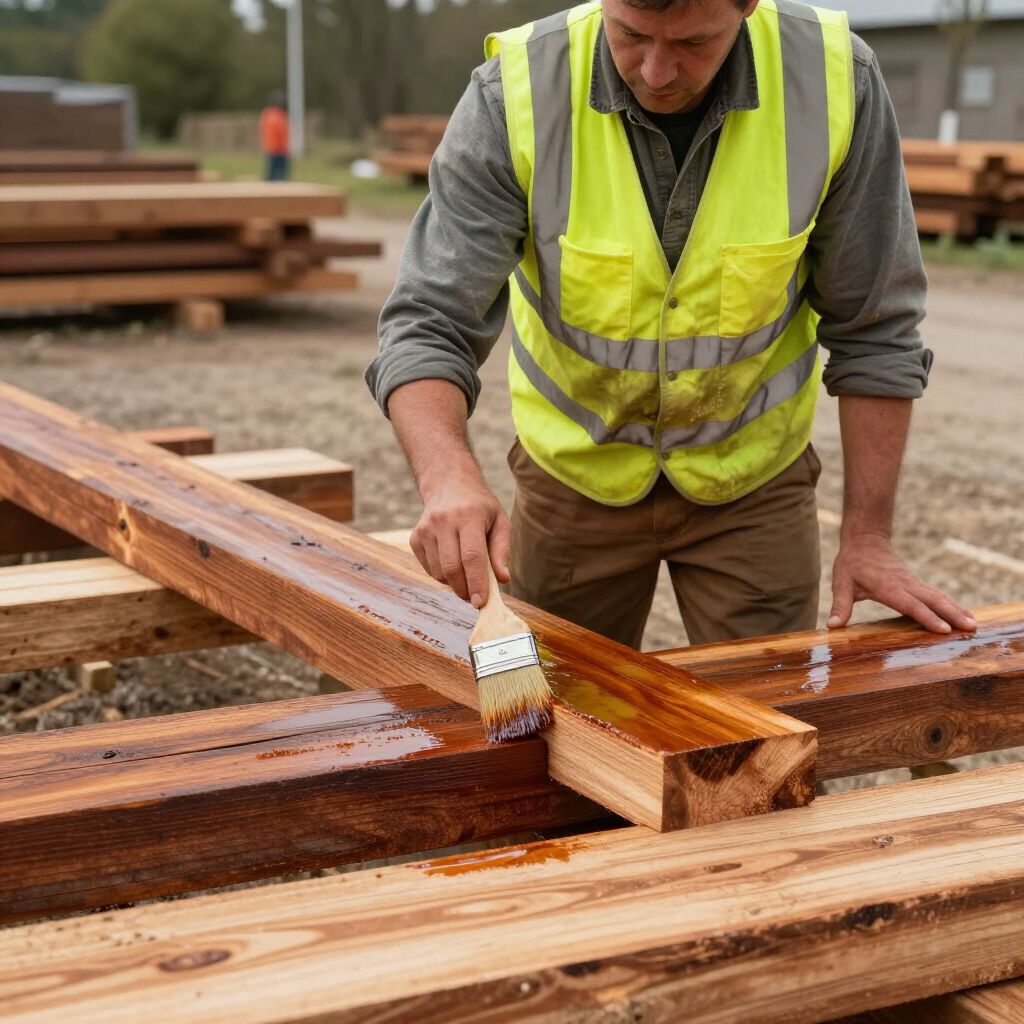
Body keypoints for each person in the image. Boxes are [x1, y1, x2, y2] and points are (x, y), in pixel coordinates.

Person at [366, 0, 978, 649]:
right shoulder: (515, 94)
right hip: (575, 476)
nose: (656, 72)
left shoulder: (832, 81)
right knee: (559, 705)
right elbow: (428, 321)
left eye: (693, 43)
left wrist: (869, 538)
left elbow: (876, 330)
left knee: (763, 709)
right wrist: (448, 477)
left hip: (753, 482)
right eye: (630, 34)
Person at [260, 90, 290, 181]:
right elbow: (281, 133)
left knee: (272, 176)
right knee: (279, 176)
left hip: (273, 149)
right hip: (278, 150)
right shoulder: (277, 116)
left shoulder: (267, 114)